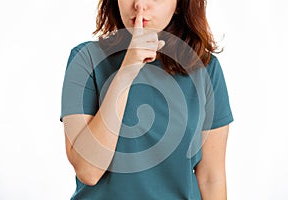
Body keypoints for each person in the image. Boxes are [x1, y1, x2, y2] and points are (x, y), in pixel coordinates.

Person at [60, 0, 233, 199]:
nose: (140, 5)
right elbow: (88, 171)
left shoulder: (206, 69)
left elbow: (212, 177)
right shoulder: (86, 59)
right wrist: (127, 70)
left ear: (178, 5)